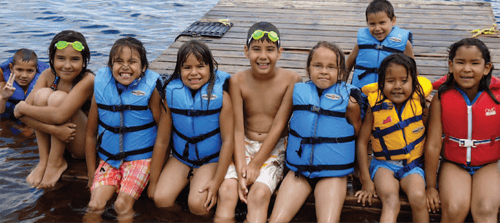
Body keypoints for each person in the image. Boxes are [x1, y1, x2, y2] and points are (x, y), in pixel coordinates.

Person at [214, 21, 301, 223]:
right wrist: (243, 164)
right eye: (256, 50)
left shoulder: (291, 80)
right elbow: (236, 128)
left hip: (274, 146)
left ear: (280, 53)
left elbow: (280, 126)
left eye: (270, 50)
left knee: (259, 194)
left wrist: (255, 165)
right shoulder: (237, 81)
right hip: (243, 143)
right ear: (246, 51)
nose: (263, 56)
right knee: (226, 191)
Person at [268, 41, 362, 223]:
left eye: (331, 67)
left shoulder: (350, 102)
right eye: (318, 65)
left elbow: (355, 132)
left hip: (333, 174)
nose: (324, 71)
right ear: (308, 68)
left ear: (341, 71)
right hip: (299, 173)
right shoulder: (298, 93)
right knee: (276, 220)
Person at [84, 37, 168, 219]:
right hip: (109, 160)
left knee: (122, 205)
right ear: (110, 66)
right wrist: (92, 174)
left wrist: (154, 179)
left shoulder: (150, 91)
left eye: (132, 62)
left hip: (141, 160)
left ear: (143, 68)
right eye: (118, 62)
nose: (125, 67)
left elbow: (164, 132)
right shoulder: (101, 89)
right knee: (94, 205)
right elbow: (90, 134)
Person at [151, 40, 234, 217]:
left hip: (211, 160)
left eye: (200, 67)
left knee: (197, 205)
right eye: (187, 67)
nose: (194, 73)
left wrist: (217, 182)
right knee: (160, 199)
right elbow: (162, 141)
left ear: (211, 69)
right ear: (179, 71)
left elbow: (228, 141)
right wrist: (153, 181)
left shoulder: (223, 98)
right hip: (181, 158)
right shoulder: (171, 96)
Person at [425, 38, 500, 222]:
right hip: (453, 163)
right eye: (460, 62)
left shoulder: (497, 99)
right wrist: (430, 187)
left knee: (486, 209)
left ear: (486, 68)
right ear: (451, 66)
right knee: (454, 208)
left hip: (488, 165)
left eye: (475, 63)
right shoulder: (441, 98)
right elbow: (434, 145)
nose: (467, 69)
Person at [356, 53, 432, 223]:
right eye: (390, 81)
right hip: (384, 165)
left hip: (412, 165)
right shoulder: (374, 106)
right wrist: (366, 180)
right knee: (391, 201)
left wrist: (432, 184)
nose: (397, 86)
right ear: (381, 83)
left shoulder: (421, 104)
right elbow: (361, 143)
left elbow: (431, 138)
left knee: (419, 198)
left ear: (414, 82)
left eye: (404, 81)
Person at [14, 30, 94, 189]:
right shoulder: (47, 75)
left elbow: (58, 116)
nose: (67, 65)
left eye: (75, 59)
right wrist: (56, 131)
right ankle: (45, 161)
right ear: (51, 59)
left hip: (83, 147)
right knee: (42, 95)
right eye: (61, 58)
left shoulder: (88, 79)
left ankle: (55, 162)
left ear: (84, 61)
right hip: (62, 136)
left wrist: (21, 107)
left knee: (57, 98)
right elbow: (20, 115)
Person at [346, 0, 414, 89]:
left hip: (390, 93)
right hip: (361, 92)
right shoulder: (361, 43)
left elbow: (413, 70)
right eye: (372, 24)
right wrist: (338, 89)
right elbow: (347, 66)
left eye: (382, 23)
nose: (377, 28)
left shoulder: (404, 43)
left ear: (393, 21)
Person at [0, 49, 49, 120]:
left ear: (36, 70)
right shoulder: (3, 81)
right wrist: (3, 98)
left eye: (30, 71)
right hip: (8, 119)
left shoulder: (44, 82)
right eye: (19, 70)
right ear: (11, 68)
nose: (24, 75)